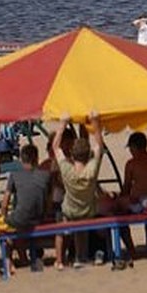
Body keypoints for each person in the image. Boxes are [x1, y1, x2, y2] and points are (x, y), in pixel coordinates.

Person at [0, 141, 51, 283]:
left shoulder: (14, 175)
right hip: (37, 219)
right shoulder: (45, 175)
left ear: (21, 159)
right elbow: (47, 201)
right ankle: (14, 262)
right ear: (37, 158)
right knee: (8, 227)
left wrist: (3, 216)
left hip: (19, 220)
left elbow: (4, 203)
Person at [49, 112, 104, 268]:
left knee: (65, 218)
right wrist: (95, 123)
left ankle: (75, 257)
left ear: (72, 155)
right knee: (88, 220)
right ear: (88, 156)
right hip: (88, 210)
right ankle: (82, 256)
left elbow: (55, 147)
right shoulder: (91, 170)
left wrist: (62, 124)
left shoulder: (67, 170)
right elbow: (99, 145)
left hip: (70, 212)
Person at [115, 132, 147, 259]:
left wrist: (120, 198)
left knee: (117, 212)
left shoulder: (131, 163)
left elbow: (126, 187)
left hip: (141, 203)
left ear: (134, 147)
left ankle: (131, 249)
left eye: (131, 148)